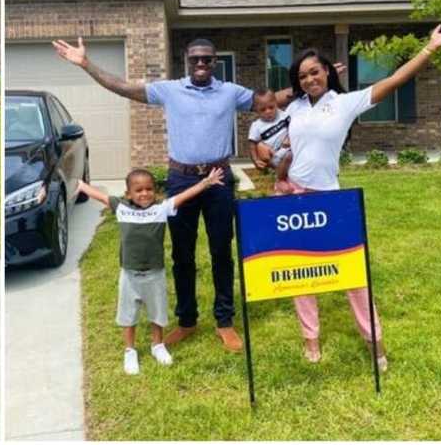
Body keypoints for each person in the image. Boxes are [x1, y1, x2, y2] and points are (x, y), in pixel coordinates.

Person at [53, 36, 327, 353]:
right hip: (181, 179)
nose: (201, 63)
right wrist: (86, 64)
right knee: (182, 255)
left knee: (221, 251)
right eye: (195, 58)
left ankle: (224, 321)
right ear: (187, 61)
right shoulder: (169, 90)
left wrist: (311, 84)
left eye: (207, 59)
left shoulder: (230, 92)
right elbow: (124, 88)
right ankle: (187, 321)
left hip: (218, 178)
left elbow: (270, 99)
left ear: (214, 62)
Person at [283, 22, 441, 370]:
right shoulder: (295, 108)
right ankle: (311, 339)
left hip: (330, 199)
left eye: (315, 72)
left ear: (328, 72)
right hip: (294, 197)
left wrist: (430, 48)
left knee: (354, 274)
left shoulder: (345, 103)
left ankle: (374, 341)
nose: (309, 79)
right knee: (301, 272)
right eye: (302, 76)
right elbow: (277, 122)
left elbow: (394, 80)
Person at [77, 167, 225, 375]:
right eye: (138, 190)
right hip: (130, 275)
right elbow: (100, 196)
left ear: (155, 191)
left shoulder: (161, 209)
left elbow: (184, 196)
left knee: (158, 312)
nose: (144, 193)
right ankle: (130, 351)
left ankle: (157, 345)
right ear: (128, 194)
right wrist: (80, 185)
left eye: (149, 189)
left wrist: (205, 183)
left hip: (155, 274)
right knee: (128, 315)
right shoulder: (121, 208)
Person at [247, 89, 293, 195]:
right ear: (256, 110)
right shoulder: (256, 126)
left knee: (290, 156)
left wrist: (289, 137)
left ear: (276, 103)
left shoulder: (284, 115)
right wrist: (255, 160)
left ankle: (285, 183)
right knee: (288, 157)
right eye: (262, 110)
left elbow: (294, 127)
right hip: (275, 155)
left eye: (271, 107)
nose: (268, 112)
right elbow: (252, 144)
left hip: (288, 147)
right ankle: (280, 180)